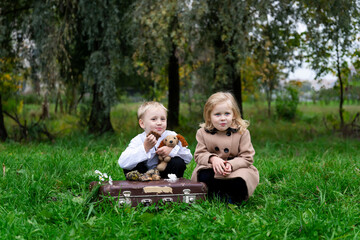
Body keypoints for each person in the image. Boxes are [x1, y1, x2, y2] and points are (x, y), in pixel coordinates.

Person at [191, 92, 259, 203]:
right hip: (212, 166)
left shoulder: (242, 132)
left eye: (227, 114)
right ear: (209, 116)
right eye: (217, 114)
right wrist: (213, 159)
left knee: (240, 180)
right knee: (204, 176)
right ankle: (216, 195)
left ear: (234, 115)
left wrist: (231, 165)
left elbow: (247, 157)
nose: (223, 118)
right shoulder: (202, 133)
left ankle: (233, 198)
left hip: (236, 167)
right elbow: (199, 155)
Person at [118, 101, 192, 179]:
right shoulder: (138, 139)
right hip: (144, 174)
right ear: (142, 123)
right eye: (154, 119)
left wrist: (171, 151)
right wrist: (145, 148)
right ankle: (139, 186)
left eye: (163, 119)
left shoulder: (172, 136)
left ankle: (173, 187)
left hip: (166, 174)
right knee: (130, 163)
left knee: (178, 162)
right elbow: (122, 162)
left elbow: (188, 158)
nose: (159, 123)